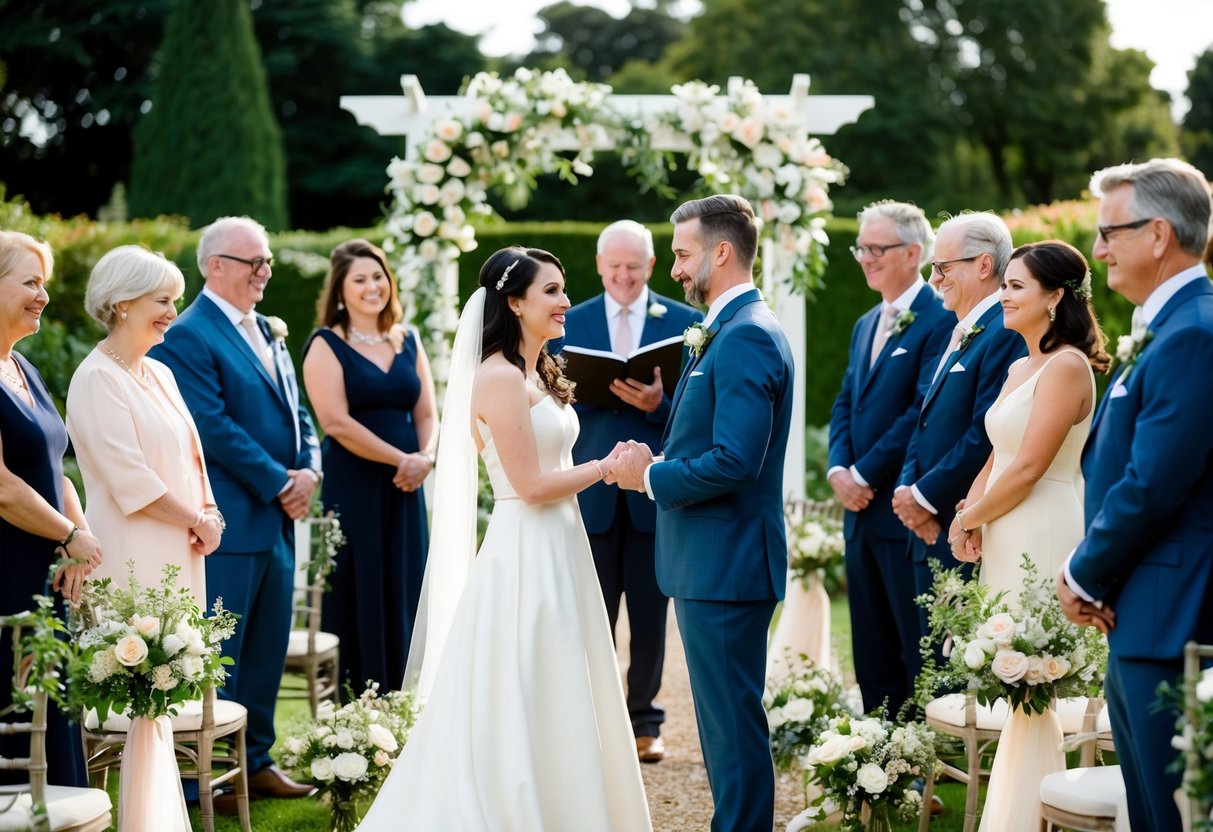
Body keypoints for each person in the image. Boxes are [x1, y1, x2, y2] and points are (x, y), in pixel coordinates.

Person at [356, 247, 652, 830]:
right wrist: (606, 467)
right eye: (552, 291)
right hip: (526, 552)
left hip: (561, 544)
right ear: (514, 303)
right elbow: (529, 486)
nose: (566, 301)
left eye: (563, 289)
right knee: (526, 679)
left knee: (560, 682)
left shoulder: (538, 371)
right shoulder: (497, 377)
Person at [610, 194, 795, 832]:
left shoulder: (746, 335)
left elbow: (736, 461)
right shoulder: (728, 328)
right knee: (723, 727)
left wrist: (648, 477)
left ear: (721, 251)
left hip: (728, 563)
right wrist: (660, 453)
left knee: (732, 729)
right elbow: (711, 438)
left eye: (683, 254)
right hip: (714, 561)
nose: (675, 269)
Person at [1059, 158, 1213, 831]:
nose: (1097, 251)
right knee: (1147, 811)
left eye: (1108, 233)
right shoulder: (1165, 329)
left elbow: (1152, 482)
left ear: (1157, 234)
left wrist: (1080, 572)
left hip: (1172, 616)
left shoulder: (1194, 334)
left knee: (1170, 814)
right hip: (1138, 612)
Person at [151, 216, 318, 802]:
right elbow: (211, 424)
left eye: (268, 260)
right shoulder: (189, 334)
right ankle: (205, 775)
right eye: (256, 262)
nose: (266, 271)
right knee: (222, 651)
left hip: (278, 517)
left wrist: (311, 468)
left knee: (269, 646)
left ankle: (257, 759)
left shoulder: (269, 329)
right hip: (231, 519)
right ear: (215, 266)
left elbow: (297, 410)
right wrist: (279, 481)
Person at [947, 241, 1108, 832]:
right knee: (1010, 664)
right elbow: (998, 454)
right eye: (1005, 284)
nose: (1003, 296)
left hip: (1042, 524)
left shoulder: (1067, 366)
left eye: (1016, 286)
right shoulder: (1020, 366)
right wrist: (969, 512)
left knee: (1037, 669)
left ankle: (1038, 812)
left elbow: (1030, 467)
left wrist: (970, 519)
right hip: (1006, 523)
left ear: (1055, 296)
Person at [549, 219, 701, 763]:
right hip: (589, 485)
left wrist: (658, 405)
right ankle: (592, 718)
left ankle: (645, 720)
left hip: (653, 489)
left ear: (651, 265)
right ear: (598, 265)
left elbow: (697, 412)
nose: (623, 275)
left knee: (650, 612)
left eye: (634, 266)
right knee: (591, 612)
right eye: (614, 266)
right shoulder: (567, 320)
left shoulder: (686, 323)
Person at [828, 200, 953, 718]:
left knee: (913, 645)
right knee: (870, 647)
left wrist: (864, 473)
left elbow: (920, 412)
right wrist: (838, 469)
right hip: (858, 515)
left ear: (913, 252)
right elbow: (845, 402)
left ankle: (921, 751)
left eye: (877, 249)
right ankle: (878, 747)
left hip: (903, 512)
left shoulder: (940, 319)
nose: (865, 258)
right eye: (861, 248)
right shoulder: (865, 324)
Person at [301, 238, 438, 694]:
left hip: (408, 484)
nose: (372, 286)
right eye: (359, 279)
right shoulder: (325, 344)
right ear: (340, 291)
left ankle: (407, 698)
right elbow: (335, 422)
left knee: (405, 580)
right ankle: (359, 704)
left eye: (378, 276)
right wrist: (402, 459)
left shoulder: (408, 338)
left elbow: (427, 413)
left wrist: (426, 457)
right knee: (361, 582)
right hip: (356, 482)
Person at [0, 230, 101, 789]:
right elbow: (3, 488)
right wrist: (67, 535)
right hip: (8, 571)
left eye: (45, 284)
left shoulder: (24, 369)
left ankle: (61, 808)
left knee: (52, 697)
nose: (42, 296)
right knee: (17, 699)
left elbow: (55, 470)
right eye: (30, 283)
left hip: (47, 569)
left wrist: (78, 540)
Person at [67, 245, 222, 599]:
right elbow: (131, 479)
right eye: (163, 301)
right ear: (123, 303)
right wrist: (197, 521)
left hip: (182, 548)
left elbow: (193, 458)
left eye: (174, 301)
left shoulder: (162, 373)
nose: (173, 313)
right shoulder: (97, 378)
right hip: (132, 553)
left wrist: (211, 512)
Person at [894, 212, 1027, 607]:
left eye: (943, 267)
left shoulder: (1004, 331)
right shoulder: (960, 329)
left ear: (984, 265)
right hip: (927, 526)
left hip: (961, 525)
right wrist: (906, 489)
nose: (934, 279)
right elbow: (925, 417)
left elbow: (985, 430)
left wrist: (924, 496)